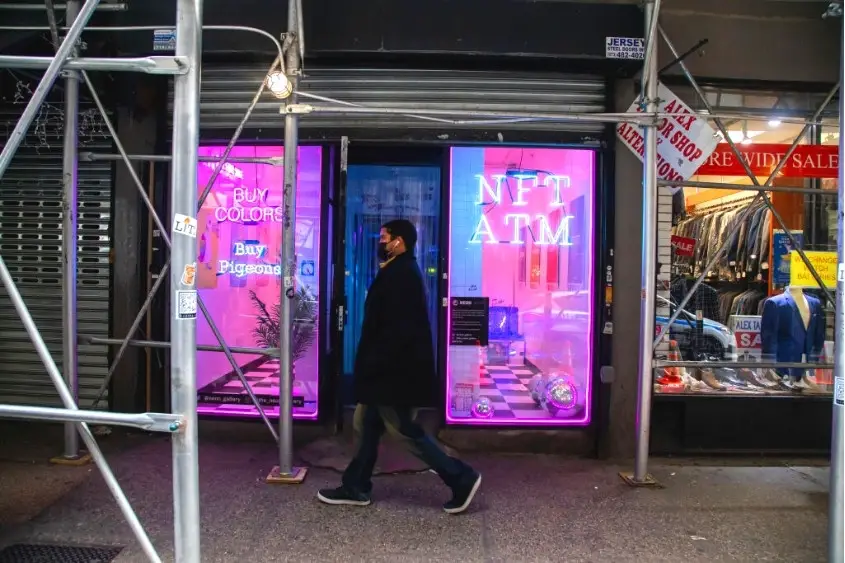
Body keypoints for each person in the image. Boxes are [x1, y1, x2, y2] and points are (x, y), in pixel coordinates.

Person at [317, 219, 482, 514]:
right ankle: (356, 486)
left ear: (400, 241)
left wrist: (375, 367)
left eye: (384, 237)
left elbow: (398, 331)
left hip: (391, 374)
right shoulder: (396, 271)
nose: (380, 242)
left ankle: (461, 477)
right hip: (385, 372)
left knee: (404, 430)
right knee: (365, 424)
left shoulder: (402, 274)